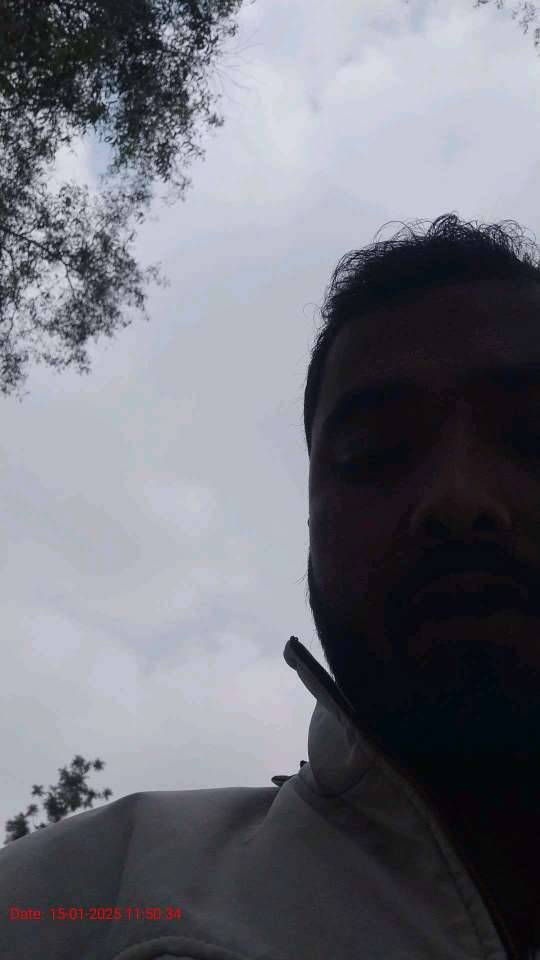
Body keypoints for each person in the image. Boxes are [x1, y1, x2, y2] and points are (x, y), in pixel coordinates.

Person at [1, 212, 539, 960]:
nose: (457, 497)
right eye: (375, 450)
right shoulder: (68, 902)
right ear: (311, 519)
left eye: (532, 435)